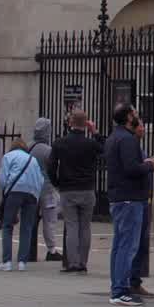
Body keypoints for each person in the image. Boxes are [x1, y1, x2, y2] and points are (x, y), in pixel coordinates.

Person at [105, 104, 154, 305]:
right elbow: (131, 168)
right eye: (135, 113)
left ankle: (118, 286)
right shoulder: (128, 139)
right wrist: (149, 165)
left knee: (120, 245)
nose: (137, 116)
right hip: (129, 198)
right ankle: (120, 290)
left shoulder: (114, 137)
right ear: (129, 117)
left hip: (119, 197)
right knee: (127, 246)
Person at [50, 109, 104, 273]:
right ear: (86, 123)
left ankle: (72, 263)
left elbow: (51, 166)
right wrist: (95, 132)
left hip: (68, 188)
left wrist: (57, 183)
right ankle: (83, 262)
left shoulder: (60, 143)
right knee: (85, 227)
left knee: (71, 226)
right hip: (87, 188)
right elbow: (105, 150)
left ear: (70, 123)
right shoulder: (91, 143)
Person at [0, 137, 44, 271]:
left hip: (15, 191)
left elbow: (2, 177)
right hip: (31, 193)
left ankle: (7, 262)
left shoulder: (8, 157)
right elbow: (40, 180)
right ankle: (22, 261)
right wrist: (36, 195)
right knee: (26, 227)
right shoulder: (32, 159)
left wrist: (6, 191)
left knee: (7, 225)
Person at [28, 117, 59, 265]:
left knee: (30, 220)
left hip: (31, 189)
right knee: (50, 221)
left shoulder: (28, 147)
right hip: (47, 188)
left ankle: (28, 250)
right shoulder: (49, 150)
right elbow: (54, 169)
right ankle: (51, 250)